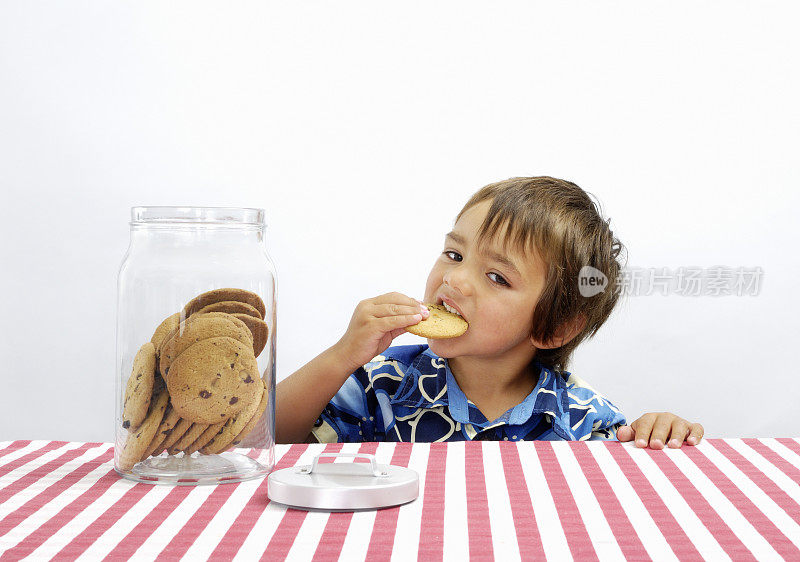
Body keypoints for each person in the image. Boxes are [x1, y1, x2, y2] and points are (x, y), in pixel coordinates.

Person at [276, 177, 704, 448]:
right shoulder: (382, 385)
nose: (455, 280)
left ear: (553, 326)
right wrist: (342, 356)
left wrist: (660, 433)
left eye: (497, 277)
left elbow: (620, 488)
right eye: (454, 253)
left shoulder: (584, 421)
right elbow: (263, 441)